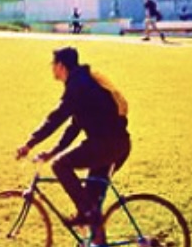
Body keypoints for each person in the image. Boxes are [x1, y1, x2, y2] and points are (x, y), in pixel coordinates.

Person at [16, 47, 130, 232]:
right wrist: (53, 150)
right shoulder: (83, 82)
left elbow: (56, 117)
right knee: (92, 208)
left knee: (60, 165)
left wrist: (30, 143)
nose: (52, 68)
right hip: (115, 145)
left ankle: (87, 215)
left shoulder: (78, 85)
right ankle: (93, 231)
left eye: (53, 64)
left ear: (61, 66)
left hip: (107, 146)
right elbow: (74, 125)